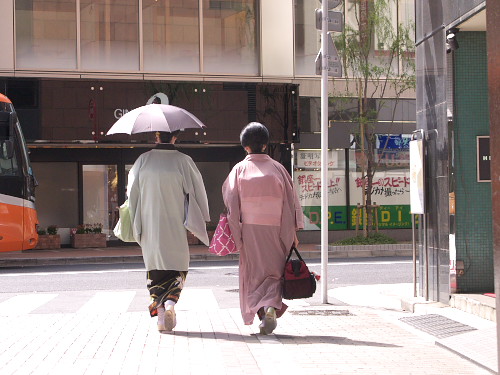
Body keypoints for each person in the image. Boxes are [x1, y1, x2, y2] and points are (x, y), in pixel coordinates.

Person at [222, 122, 304, 335]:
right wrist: (292, 231)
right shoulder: (278, 169)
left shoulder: (239, 170)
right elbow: (291, 200)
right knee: (275, 273)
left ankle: (263, 311)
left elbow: (232, 205)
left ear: (245, 147)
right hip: (277, 228)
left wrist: (237, 236)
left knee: (252, 274)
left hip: (249, 230)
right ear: (266, 145)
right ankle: (270, 307)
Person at [127, 130, 210, 332]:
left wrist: (135, 221)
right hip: (176, 225)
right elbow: (198, 191)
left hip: (150, 227)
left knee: (155, 271)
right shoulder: (184, 161)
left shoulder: (143, 161)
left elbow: (131, 194)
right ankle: (171, 303)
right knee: (178, 267)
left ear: (156, 137)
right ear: (174, 137)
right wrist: (202, 219)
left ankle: (162, 317)